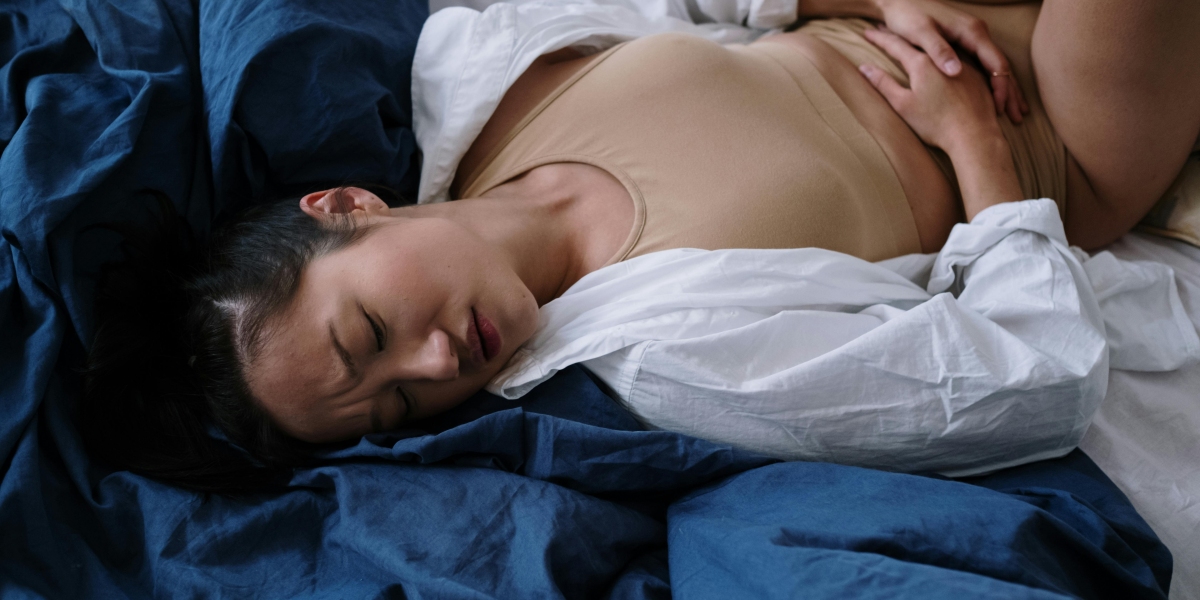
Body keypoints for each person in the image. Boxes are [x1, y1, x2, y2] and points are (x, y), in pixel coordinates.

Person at [84, 0, 1200, 491]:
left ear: (345, 208)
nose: (432, 366)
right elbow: (1033, 384)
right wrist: (977, 146)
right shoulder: (668, 354)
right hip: (1054, 128)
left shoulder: (487, 75)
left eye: (369, 334)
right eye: (396, 409)